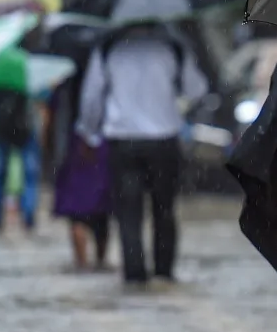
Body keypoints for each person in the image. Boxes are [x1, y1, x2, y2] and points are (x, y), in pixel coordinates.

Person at [75, 23, 208, 285]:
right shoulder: (173, 47)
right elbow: (197, 89)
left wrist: (88, 134)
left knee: (128, 212)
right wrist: (173, 100)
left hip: (123, 140)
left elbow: (91, 98)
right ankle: (163, 273)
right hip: (164, 139)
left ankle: (134, 276)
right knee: (164, 210)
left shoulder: (109, 49)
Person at [50, 71, 112, 271]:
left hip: (75, 146)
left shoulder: (65, 76)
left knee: (78, 211)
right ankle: (99, 262)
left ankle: (82, 263)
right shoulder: (104, 67)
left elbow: (55, 116)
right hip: (102, 142)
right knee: (101, 208)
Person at [0, 85, 42, 235]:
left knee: (1, 174)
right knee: (29, 174)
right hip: (25, 128)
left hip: (5, 130)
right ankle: (28, 216)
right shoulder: (29, 79)